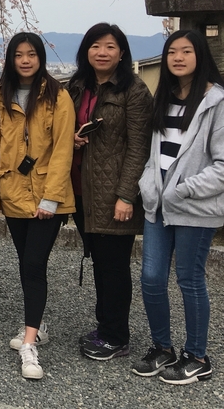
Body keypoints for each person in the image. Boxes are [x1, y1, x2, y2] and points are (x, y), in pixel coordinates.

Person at [0, 32, 75, 381]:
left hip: (47, 196)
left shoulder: (57, 95)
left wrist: (51, 198)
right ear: (10, 58)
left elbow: (63, 148)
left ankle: (29, 344)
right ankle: (37, 324)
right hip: (12, 192)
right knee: (27, 263)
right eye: (19, 54)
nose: (25, 60)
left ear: (40, 58)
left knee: (34, 263)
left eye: (31, 54)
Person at [133, 29, 224, 385]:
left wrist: (184, 190)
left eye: (186, 51)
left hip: (195, 208)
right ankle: (162, 347)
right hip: (158, 204)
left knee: (189, 279)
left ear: (200, 56)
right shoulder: (165, 97)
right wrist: (148, 185)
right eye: (172, 51)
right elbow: (154, 154)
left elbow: (221, 165)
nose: (178, 57)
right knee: (151, 278)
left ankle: (197, 355)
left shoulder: (216, 102)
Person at [67, 24, 152, 361]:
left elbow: (139, 147)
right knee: (100, 263)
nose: (102, 52)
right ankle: (106, 328)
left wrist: (127, 195)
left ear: (121, 53)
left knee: (114, 266)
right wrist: (73, 136)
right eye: (96, 46)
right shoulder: (77, 86)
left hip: (114, 194)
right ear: (86, 50)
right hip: (82, 191)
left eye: (110, 47)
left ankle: (116, 336)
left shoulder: (134, 90)